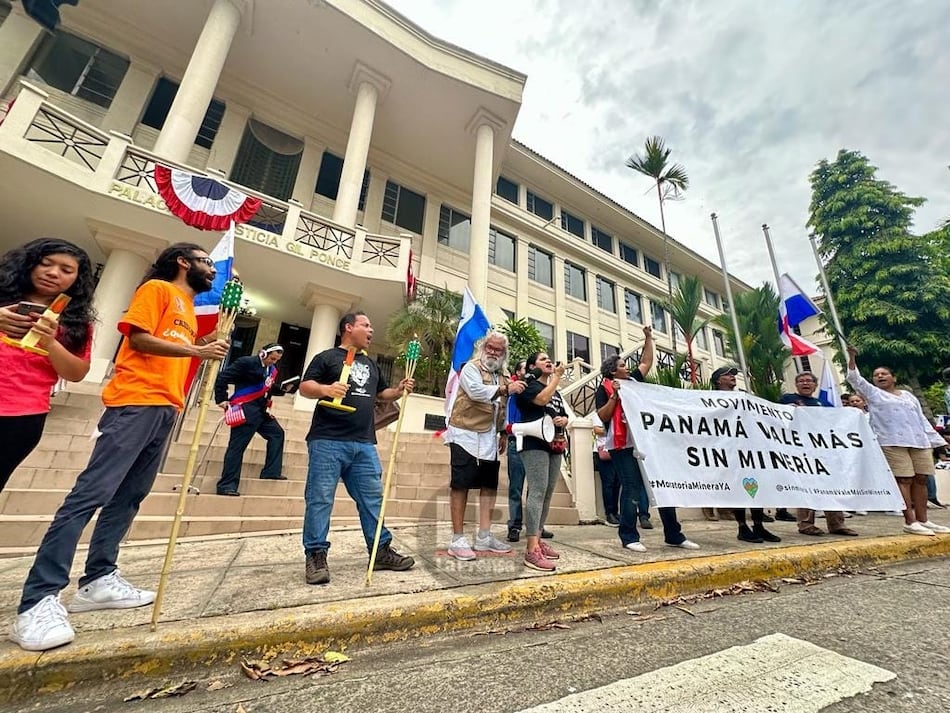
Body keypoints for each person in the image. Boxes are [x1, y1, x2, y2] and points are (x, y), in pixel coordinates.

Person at [9, 243, 230, 652]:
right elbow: (141, 340)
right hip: (135, 402)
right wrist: (196, 349)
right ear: (184, 262)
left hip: (166, 406)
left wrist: (204, 340)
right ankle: (39, 598)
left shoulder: (185, 305)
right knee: (91, 494)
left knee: (130, 497)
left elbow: (177, 347)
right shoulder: (158, 290)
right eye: (206, 263)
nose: (213, 271)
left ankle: (98, 580)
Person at [298, 311, 415, 584]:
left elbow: (380, 394)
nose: (371, 330)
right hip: (327, 441)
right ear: (349, 328)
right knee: (320, 498)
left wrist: (398, 390)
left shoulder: (372, 364)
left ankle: (381, 550)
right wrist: (327, 390)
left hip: (363, 442)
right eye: (366, 325)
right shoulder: (326, 357)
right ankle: (315, 555)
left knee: (372, 498)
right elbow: (305, 386)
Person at [0, 238, 97, 494]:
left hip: (21, 417)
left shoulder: (76, 324)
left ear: (77, 279)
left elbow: (76, 373)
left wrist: (51, 343)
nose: (53, 273)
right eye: (46, 264)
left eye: (66, 271)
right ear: (30, 264)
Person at [595, 326, 699, 553]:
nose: (627, 367)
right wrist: (615, 395)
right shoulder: (604, 388)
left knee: (663, 486)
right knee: (632, 489)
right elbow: (602, 416)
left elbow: (646, 362)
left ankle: (674, 534)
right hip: (622, 446)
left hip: (648, 443)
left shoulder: (634, 382)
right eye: (622, 365)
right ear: (612, 372)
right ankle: (628, 535)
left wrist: (648, 338)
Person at [846, 346, 949, 535]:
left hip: (918, 441)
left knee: (921, 479)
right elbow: (854, 379)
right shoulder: (873, 393)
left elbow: (921, 418)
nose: (880, 376)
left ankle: (923, 520)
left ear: (894, 378)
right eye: (876, 375)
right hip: (892, 442)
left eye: (884, 374)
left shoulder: (908, 396)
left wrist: (937, 440)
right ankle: (909, 521)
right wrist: (852, 357)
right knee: (904, 479)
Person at [443, 331, 525, 560]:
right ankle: (457, 539)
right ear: (483, 347)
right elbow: (476, 392)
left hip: (489, 436)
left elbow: (504, 406)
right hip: (464, 433)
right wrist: (504, 389)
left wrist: (503, 433)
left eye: (498, 350)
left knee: (489, 485)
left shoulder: (504, 375)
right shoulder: (470, 367)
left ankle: (484, 536)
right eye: (490, 347)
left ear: (504, 354)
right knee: (460, 485)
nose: (493, 352)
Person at [778, 372, 858, 537]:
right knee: (807, 486)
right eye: (801, 381)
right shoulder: (787, 400)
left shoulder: (824, 403)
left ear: (815, 385)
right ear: (796, 385)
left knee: (832, 486)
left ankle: (837, 524)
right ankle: (806, 524)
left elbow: (836, 423)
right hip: (801, 449)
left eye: (809, 381)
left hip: (825, 449)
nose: (805, 383)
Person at [711, 366, 781, 544]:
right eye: (728, 375)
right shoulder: (711, 399)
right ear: (718, 380)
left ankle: (758, 525)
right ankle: (742, 527)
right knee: (738, 489)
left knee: (756, 487)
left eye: (733, 375)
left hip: (750, 449)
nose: (732, 377)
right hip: (729, 450)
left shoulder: (744, 398)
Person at [514, 351, 569, 571]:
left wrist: (563, 419)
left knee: (547, 493)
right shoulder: (527, 386)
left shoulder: (555, 391)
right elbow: (542, 399)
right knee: (537, 491)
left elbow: (562, 412)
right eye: (542, 359)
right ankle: (530, 550)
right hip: (534, 444)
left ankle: (537, 537)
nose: (548, 360)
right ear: (531, 366)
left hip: (553, 443)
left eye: (549, 358)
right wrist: (556, 376)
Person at [214, 342, 287, 495]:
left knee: (277, 433)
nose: (273, 362)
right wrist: (221, 398)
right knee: (237, 447)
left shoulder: (271, 370)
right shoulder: (246, 362)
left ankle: (271, 471)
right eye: (272, 359)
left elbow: (266, 387)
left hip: (261, 411)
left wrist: (282, 389)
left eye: (276, 360)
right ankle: (227, 485)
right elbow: (223, 377)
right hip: (245, 409)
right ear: (264, 353)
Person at [593, 418, 620, 527]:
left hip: (616, 450)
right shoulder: (598, 415)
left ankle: (615, 512)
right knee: (608, 483)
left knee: (617, 483)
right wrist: (614, 430)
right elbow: (597, 430)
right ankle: (609, 513)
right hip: (603, 451)